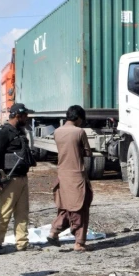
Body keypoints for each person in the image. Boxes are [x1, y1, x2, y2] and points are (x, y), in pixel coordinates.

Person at [46, 105, 93, 252]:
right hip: (77, 175)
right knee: (81, 208)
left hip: (62, 175)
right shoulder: (79, 132)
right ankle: (79, 242)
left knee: (66, 207)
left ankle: (54, 231)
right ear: (78, 118)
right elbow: (88, 152)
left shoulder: (57, 132)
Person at [0, 103, 35, 252]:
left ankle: (22, 243)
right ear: (17, 115)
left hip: (22, 178)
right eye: (25, 116)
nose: (27, 118)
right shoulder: (2, 132)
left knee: (22, 213)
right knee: (4, 212)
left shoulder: (20, 132)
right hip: (9, 179)